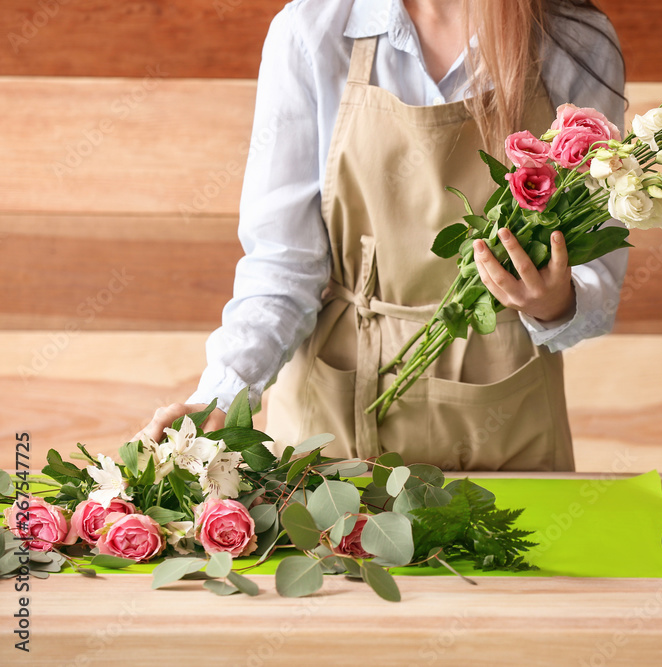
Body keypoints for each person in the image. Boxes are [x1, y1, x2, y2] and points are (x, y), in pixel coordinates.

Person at [141, 0, 627, 471]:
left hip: (508, 420)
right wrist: (219, 400)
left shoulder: (572, 41)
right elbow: (283, 268)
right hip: (332, 430)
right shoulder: (310, 32)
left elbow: (597, 273)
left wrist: (554, 302)